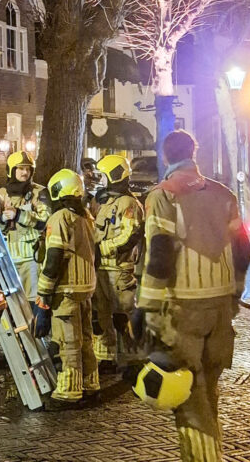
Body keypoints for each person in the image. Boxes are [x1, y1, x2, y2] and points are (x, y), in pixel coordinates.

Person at [130, 131, 250, 461]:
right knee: (209, 391)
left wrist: (147, 307)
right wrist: (236, 292)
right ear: (193, 153)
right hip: (221, 307)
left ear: (165, 156)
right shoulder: (224, 193)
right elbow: (242, 248)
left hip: (184, 307)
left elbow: (160, 252)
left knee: (190, 398)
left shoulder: (164, 195)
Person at [32, 169, 100, 406]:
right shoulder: (86, 217)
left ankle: (69, 392)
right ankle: (91, 385)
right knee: (86, 339)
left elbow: (54, 258)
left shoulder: (60, 217)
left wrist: (43, 293)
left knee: (67, 342)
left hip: (66, 290)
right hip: (85, 288)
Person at [92, 154, 145, 367]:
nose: (100, 179)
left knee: (125, 313)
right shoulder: (106, 201)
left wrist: (102, 248)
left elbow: (129, 235)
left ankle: (135, 358)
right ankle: (106, 357)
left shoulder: (128, 203)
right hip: (102, 268)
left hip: (119, 268)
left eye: (103, 175)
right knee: (102, 312)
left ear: (113, 175)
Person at [0, 151, 49, 301]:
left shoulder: (39, 193)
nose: (25, 172)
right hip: (8, 257)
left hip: (30, 258)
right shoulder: (1, 194)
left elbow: (44, 221)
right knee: (10, 300)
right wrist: (2, 218)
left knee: (32, 298)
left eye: (28, 169)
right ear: (11, 170)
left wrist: (19, 215)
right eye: (20, 168)